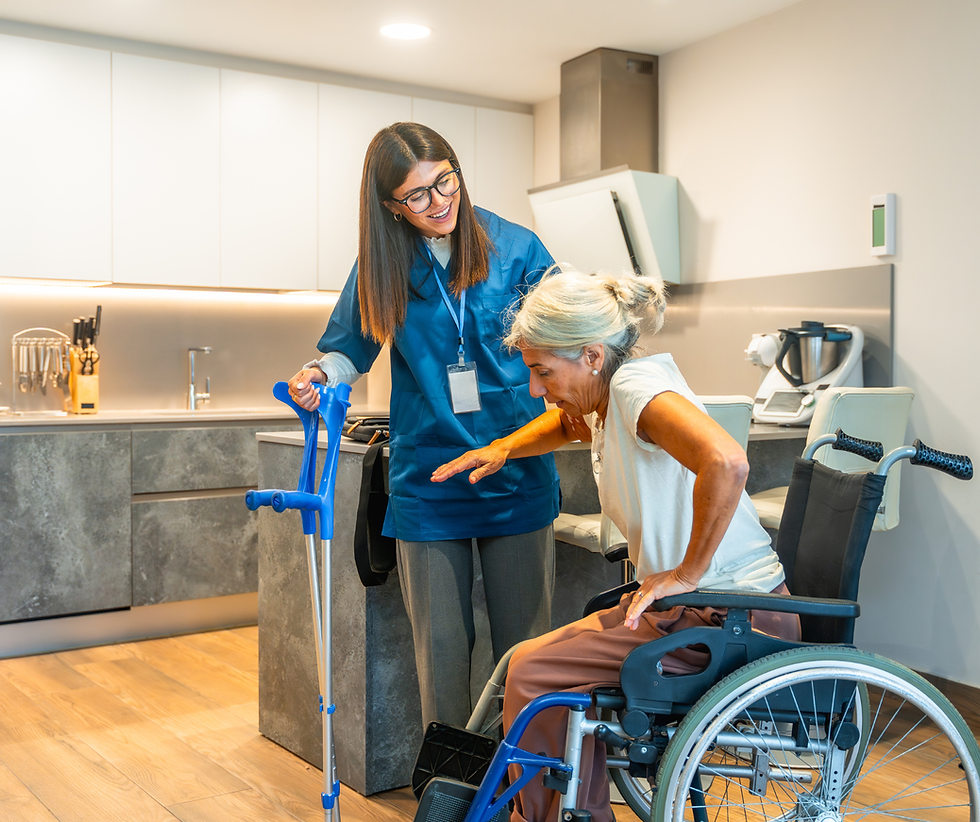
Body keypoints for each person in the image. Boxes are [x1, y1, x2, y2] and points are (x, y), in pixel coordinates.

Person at [431, 266, 801, 822]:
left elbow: (726, 462)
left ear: (591, 356)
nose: (536, 389)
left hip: (731, 616)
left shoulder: (635, 390)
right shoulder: (612, 397)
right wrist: (505, 448)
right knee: (525, 661)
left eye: (542, 371)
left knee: (532, 673)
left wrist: (685, 573)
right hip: (697, 612)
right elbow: (566, 426)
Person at [287, 122, 560, 730]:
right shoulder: (384, 263)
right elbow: (346, 349)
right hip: (429, 480)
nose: (439, 204)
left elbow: (567, 329)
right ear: (391, 206)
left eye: (445, 182)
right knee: (439, 654)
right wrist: (317, 375)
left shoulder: (516, 248)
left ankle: (521, 790)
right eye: (417, 196)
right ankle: (453, 792)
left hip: (514, 468)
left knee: (525, 654)